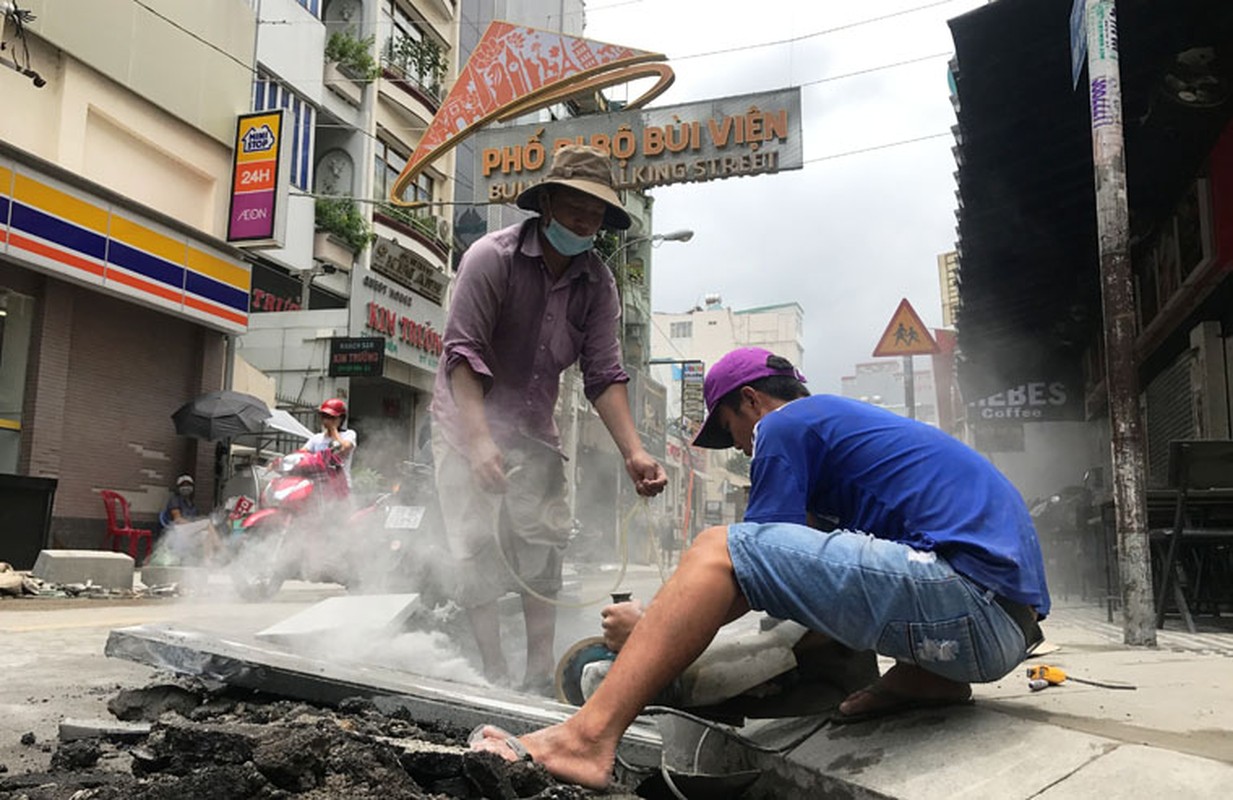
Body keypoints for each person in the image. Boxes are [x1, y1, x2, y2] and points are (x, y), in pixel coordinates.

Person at [471, 347, 1050, 789]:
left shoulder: (784, 424)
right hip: (1000, 630)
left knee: (716, 547)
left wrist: (648, 627)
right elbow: (806, 580)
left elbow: (747, 564)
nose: (745, 448)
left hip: (966, 600)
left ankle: (586, 738)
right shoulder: (841, 438)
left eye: (730, 431)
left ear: (750, 401)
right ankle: (932, 681)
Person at [431, 143, 667, 692]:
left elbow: (604, 375)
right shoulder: (491, 258)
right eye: (576, 205)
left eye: (596, 212)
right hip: (466, 425)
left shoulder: (598, 284)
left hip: (535, 431)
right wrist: (480, 441)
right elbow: (461, 356)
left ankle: (538, 677)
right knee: (477, 550)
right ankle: (493, 674)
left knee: (542, 551)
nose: (586, 220)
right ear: (549, 203)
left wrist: (634, 451)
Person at [157, 475, 221, 564]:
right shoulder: (175, 499)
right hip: (178, 531)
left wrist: (197, 525)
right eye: (183, 485)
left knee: (205, 535)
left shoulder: (191, 504)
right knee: (207, 523)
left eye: (188, 484)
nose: (186, 487)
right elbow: (178, 519)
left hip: (189, 532)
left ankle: (208, 562)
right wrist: (196, 524)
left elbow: (195, 520)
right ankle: (220, 547)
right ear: (178, 487)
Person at [301, 398, 357, 493]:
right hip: (318, 487)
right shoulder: (316, 438)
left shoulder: (348, 434)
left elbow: (345, 448)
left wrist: (333, 429)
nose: (327, 420)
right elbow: (301, 453)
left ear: (341, 419)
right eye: (324, 416)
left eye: (332, 417)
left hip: (340, 488)